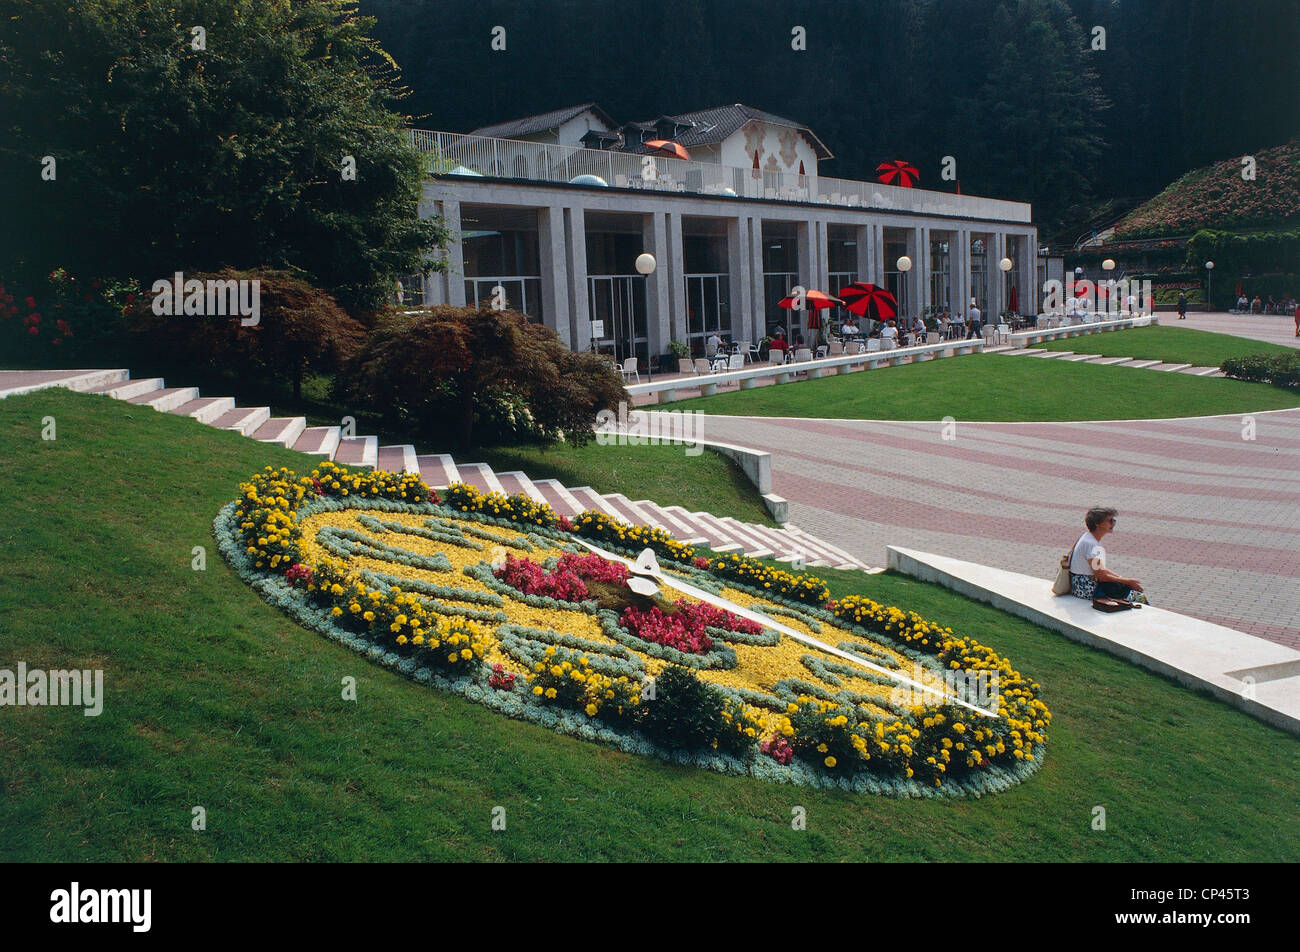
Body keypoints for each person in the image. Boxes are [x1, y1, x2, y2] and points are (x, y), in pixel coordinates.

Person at [1068, 507, 1148, 604]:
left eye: (1114, 520)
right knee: (1139, 598)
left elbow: (1101, 569)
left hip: (1080, 585)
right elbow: (1101, 576)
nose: (1113, 523)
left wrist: (1121, 579)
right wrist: (1127, 581)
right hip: (1087, 589)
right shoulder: (1093, 545)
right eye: (1110, 521)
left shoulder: (1087, 538)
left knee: (1126, 589)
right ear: (1097, 524)